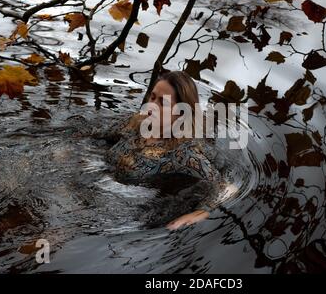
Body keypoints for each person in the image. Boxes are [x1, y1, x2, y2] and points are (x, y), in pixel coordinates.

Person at [93, 71, 239, 230]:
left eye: (164, 103)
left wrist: (199, 213)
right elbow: (94, 132)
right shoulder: (135, 124)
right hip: (96, 187)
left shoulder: (183, 153)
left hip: (124, 211)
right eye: (153, 97)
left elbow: (227, 188)